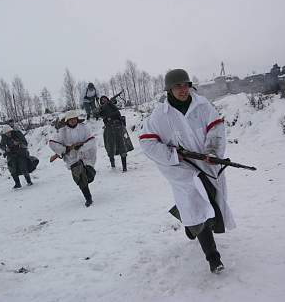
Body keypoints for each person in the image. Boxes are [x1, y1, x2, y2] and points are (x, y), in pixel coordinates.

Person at [139, 68, 235, 274]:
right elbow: (147, 143)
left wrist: (211, 151)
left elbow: (216, 129)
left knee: (208, 198)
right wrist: (174, 155)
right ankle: (213, 258)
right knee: (195, 201)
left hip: (207, 163)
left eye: (186, 85)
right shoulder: (159, 116)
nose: (183, 90)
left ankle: (188, 223)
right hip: (181, 169)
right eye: (178, 86)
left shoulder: (203, 106)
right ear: (169, 89)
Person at [49, 110, 97, 207]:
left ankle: (87, 180)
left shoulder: (84, 128)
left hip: (86, 155)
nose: (73, 121)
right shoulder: (62, 131)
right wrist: (65, 149)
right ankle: (88, 198)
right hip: (72, 158)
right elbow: (52, 143)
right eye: (70, 120)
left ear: (77, 119)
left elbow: (92, 140)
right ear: (67, 121)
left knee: (90, 176)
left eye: (74, 119)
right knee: (80, 177)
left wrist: (81, 148)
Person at [97, 95, 134, 172]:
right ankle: (112, 165)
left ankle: (124, 167)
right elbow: (99, 114)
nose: (104, 101)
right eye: (102, 100)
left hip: (119, 128)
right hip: (109, 130)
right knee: (110, 147)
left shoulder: (112, 106)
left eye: (105, 99)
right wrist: (104, 107)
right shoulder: (101, 109)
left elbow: (117, 113)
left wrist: (110, 103)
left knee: (122, 146)